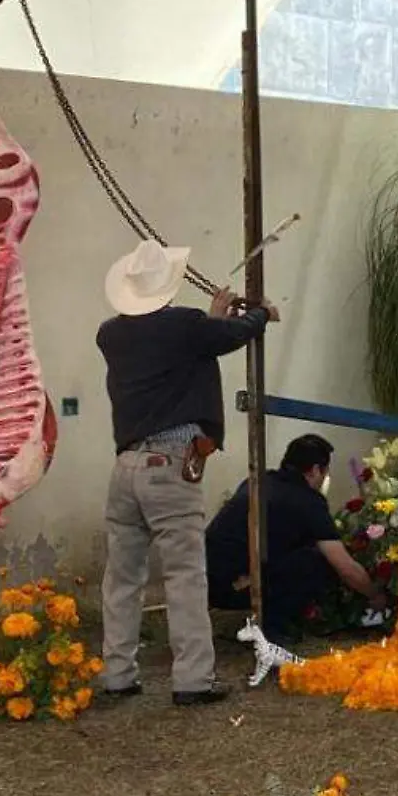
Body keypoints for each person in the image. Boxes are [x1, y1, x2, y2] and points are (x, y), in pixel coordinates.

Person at [97, 241, 275, 707]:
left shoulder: (110, 334)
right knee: (184, 575)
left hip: (126, 464)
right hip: (171, 464)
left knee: (122, 577)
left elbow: (194, 341)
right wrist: (260, 314)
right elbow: (227, 336)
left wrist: (214, 319)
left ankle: (117, 673)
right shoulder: (184, 326)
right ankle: (193, 679)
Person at [205, 434, 387, 641]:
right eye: (325, 472)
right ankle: (274, 629)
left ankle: (267, 616)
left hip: (206, 583)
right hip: (235, 588)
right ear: (316, 470)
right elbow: (344, 567)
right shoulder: (308, 502)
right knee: (316, 561)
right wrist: (374, 594)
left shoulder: (258, 480)